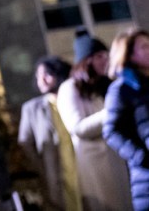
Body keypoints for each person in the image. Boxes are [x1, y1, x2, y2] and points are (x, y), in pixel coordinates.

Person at [57, 31, 133, 211]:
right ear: (86, 60)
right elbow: (77, 128)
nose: (105, 59)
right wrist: (112, 112)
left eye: (107, 55)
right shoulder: (69, 88)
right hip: (95, 164)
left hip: (117, 158)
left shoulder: (105, 86)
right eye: (99, 56)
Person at [18, 55, 79, 211]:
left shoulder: (75, 100)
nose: (41, 80)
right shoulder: (32, 109)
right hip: (54, 174)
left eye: (47, 74)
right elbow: (25, 142)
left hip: (81, 170)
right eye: (38, 76)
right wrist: (41, 166)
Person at [103, 27, 149, 211]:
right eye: (144, 47)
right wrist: (141, 157)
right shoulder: (121, 88)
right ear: (129, 55)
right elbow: (111, 131)